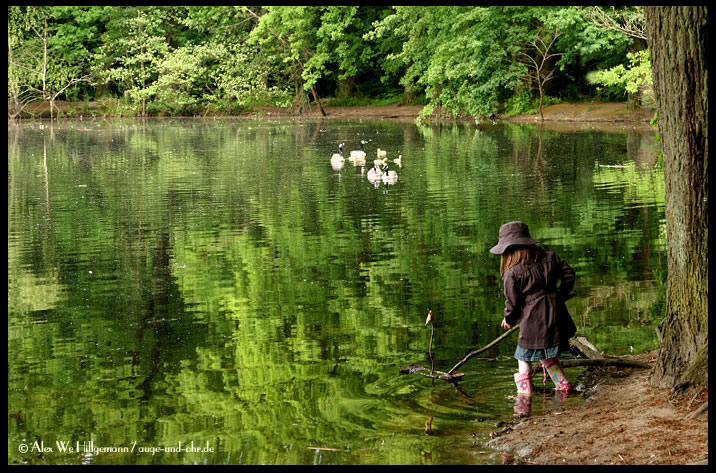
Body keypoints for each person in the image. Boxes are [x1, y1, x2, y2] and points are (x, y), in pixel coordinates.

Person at [489, 221, 577, 401]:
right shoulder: (550, 257)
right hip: (556, 316)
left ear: (507, 251)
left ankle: (524, 398)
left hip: (533, 322)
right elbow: (569, 273)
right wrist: (560, 295)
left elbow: (512, 302)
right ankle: (563, 386)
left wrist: (509, 319)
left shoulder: (512, 273)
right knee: (547, 355)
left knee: (523, 357)